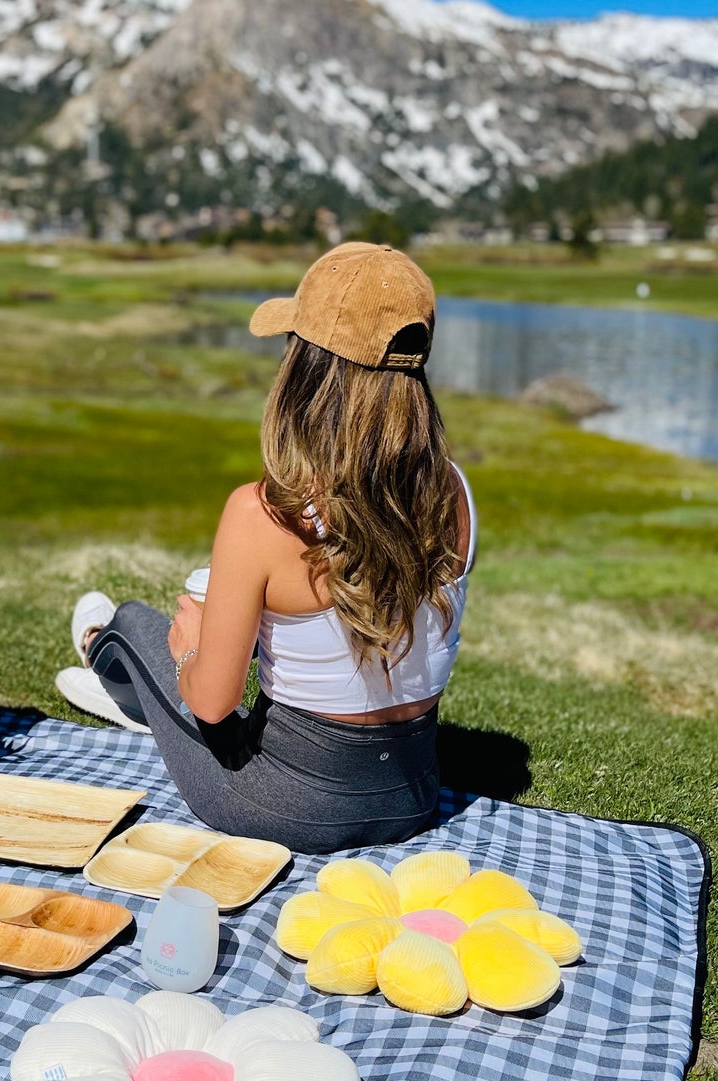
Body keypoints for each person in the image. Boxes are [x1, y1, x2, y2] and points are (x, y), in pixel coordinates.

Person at [60, 242, 475, 855]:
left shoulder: (260, 514)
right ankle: (135, 687)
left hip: (283, 804)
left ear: (307, 370)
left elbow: (214, 704)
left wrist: (191, 647)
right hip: (412, 796)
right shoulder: (455, 493)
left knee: (134, 625)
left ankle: (111, 664)